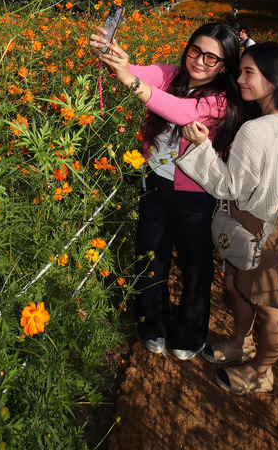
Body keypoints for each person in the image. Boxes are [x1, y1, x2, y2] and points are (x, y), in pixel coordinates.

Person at [89, 23, 242, 360]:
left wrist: (129, 79)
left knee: (195, 265)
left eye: (211, 58)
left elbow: (177, 111)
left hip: (196, 195)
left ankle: (190, 334)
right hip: (155, 184)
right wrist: (110, 54)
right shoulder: (171, 74)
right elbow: (132, 71)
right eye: (195, 51)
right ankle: (152, 326)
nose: (199, 61)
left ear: (225, 65)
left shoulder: (219, 101)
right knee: (151, 257)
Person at [179, 41, 278, 394]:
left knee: (269, 307)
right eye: (240, 71)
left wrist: (200, 147)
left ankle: (261, 371)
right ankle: (241, 341)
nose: (239, 79)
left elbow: (228, 186)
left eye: (248, 72)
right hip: (268, 221)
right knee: (237, 285)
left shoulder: (257, 130)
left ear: (275, 78)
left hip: (261, 226)